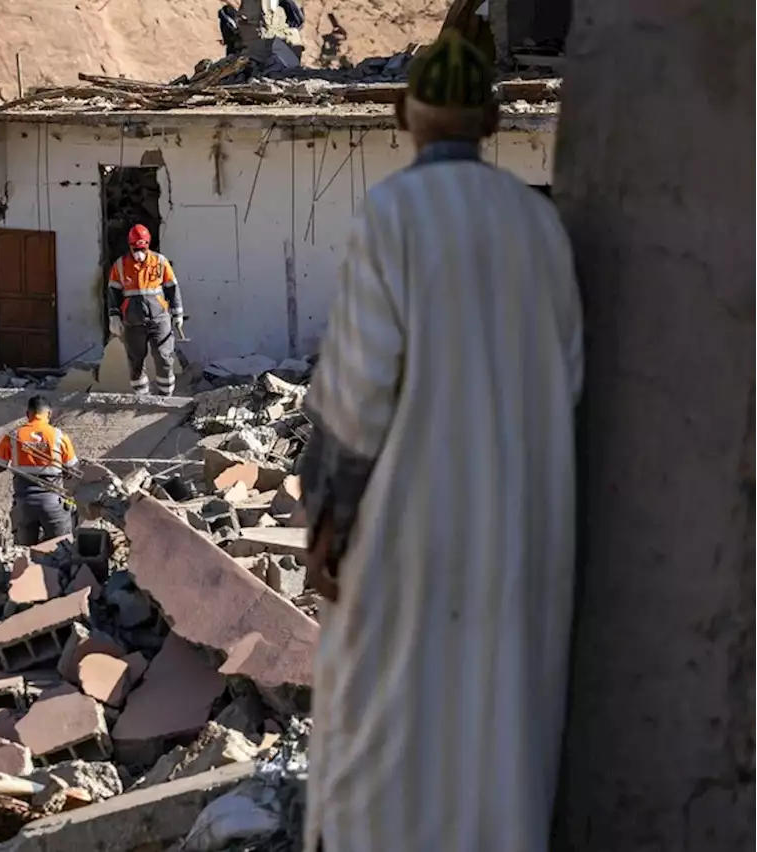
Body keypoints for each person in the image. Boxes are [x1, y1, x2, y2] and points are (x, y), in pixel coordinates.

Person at [299, 30, 583, 852]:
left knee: (387, 733)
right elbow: (566, 382)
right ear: (493, 120)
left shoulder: (392, 213)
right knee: (496, 733)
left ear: (402, 115)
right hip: (523, 528)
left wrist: (328, 523)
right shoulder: (541, 226)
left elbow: (356, 395)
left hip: (409, 531)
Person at [0, 395, 79, 546]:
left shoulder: (13, 436)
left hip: (24, 505)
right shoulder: (58, 435)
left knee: (24, 554)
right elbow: (73, 471)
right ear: (49, 414)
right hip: (52, 503)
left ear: (27, 414)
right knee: (60, 551)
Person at [107, 224, 183, 396]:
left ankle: (166, 397)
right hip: (133, 322)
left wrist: (178, 313)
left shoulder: (160, 262)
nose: (138, 252)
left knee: (164, 357)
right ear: (130, 245)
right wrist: (114, 316)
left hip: (159, 319)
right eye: (135, 248)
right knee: (136, 361)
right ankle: (142, 399)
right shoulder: (120, 266)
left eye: (142, 248)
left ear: (148, 244)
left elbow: (172, 287)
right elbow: (113, 292)